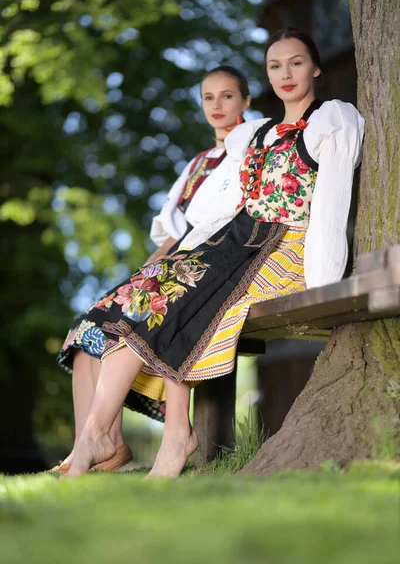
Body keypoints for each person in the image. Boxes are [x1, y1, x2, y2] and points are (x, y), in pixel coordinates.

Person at [62, 28, 364, 479]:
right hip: (237, 237)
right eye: (275, 65)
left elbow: (333, 203)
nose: (285, 73)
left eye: (296, 62)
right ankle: (96, 436)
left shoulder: (331, 120)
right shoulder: (256, 134)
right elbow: (230, 208)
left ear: (316, 68)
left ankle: (172, 439)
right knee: (140, 300)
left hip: (284, 244)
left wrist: (323, 285)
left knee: (179, 302)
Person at [53, 66, 251, 473]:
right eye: (208, 97)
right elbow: (173, 232)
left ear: (245, 101)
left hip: (214, 257)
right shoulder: (197, 163)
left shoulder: (251, 149)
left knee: (149, 312)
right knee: (89, 325)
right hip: (175, 255)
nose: (217, 105)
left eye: (227, 96)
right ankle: (97, 445)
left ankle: (106, 441)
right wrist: (143, 273)